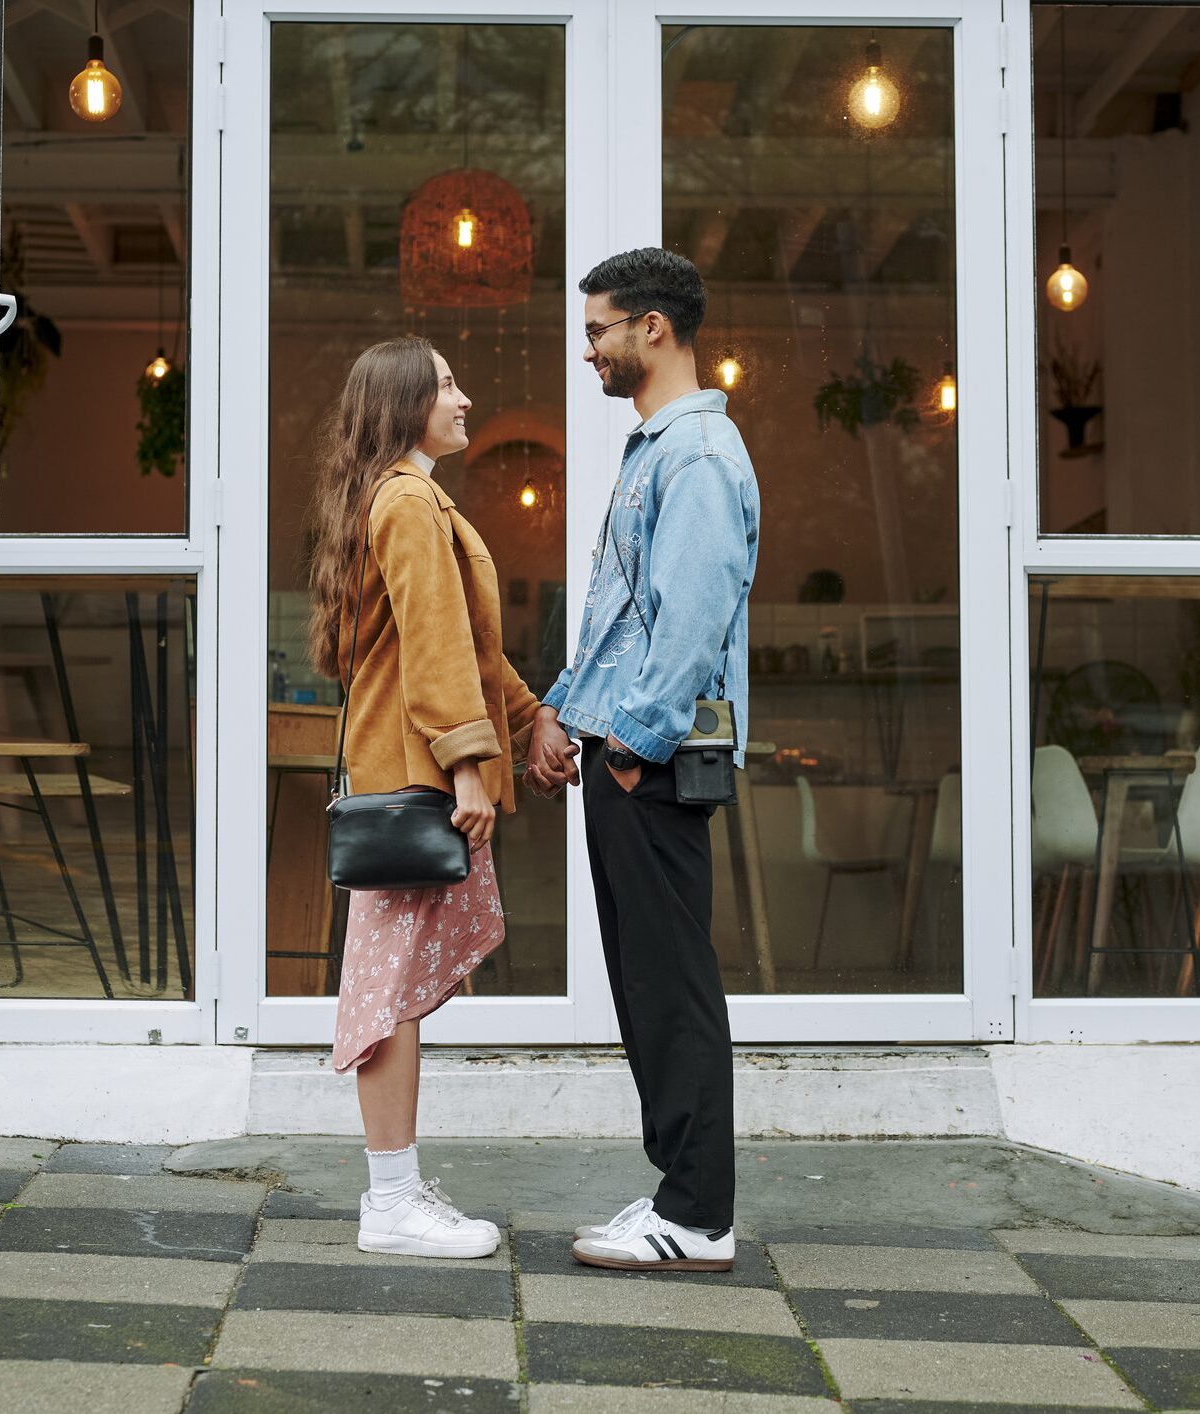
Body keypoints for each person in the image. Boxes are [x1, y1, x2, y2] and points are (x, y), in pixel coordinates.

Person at [526, 248, 760, 1273]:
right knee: (647, 981)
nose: (589, 350)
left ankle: (699, 1214)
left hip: (651, 761)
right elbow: (624, 618)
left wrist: (630, 742)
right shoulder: (656, 448)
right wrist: (562, 712)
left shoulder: (698, 455)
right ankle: (678, 1193)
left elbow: (692, 619)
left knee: (672, 987)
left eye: (599, 331)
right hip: (628, 750)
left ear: (653, 328)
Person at [306, 335, 541, 1259]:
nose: (466, 398)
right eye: (447, 384)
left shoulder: (409, 496)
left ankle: (396, 1188)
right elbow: (441, 655)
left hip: (407, 768)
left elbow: (467, 648)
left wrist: (531, 719)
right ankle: (391, 1201)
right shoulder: (406, 500)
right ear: (406, 402)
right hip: (413, 779)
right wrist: (473, 764)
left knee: (391, 991)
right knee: (386, 996)